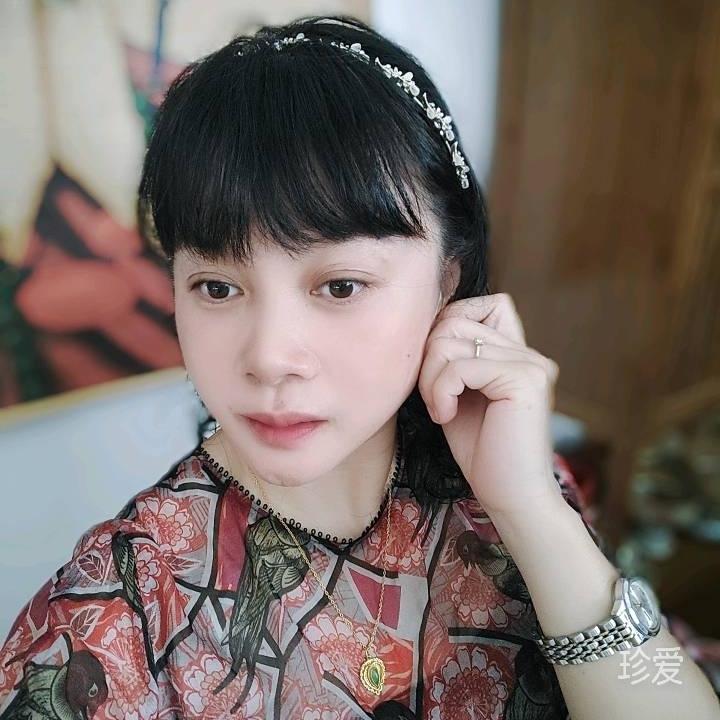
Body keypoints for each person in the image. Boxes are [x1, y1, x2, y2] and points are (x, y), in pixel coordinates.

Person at [1, 14, 718, 720]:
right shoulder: (114, 619)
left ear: (446, 281)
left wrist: (529, 506)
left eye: (341, 286)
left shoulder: (502, 473)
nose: (269, 357)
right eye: (217, 288)